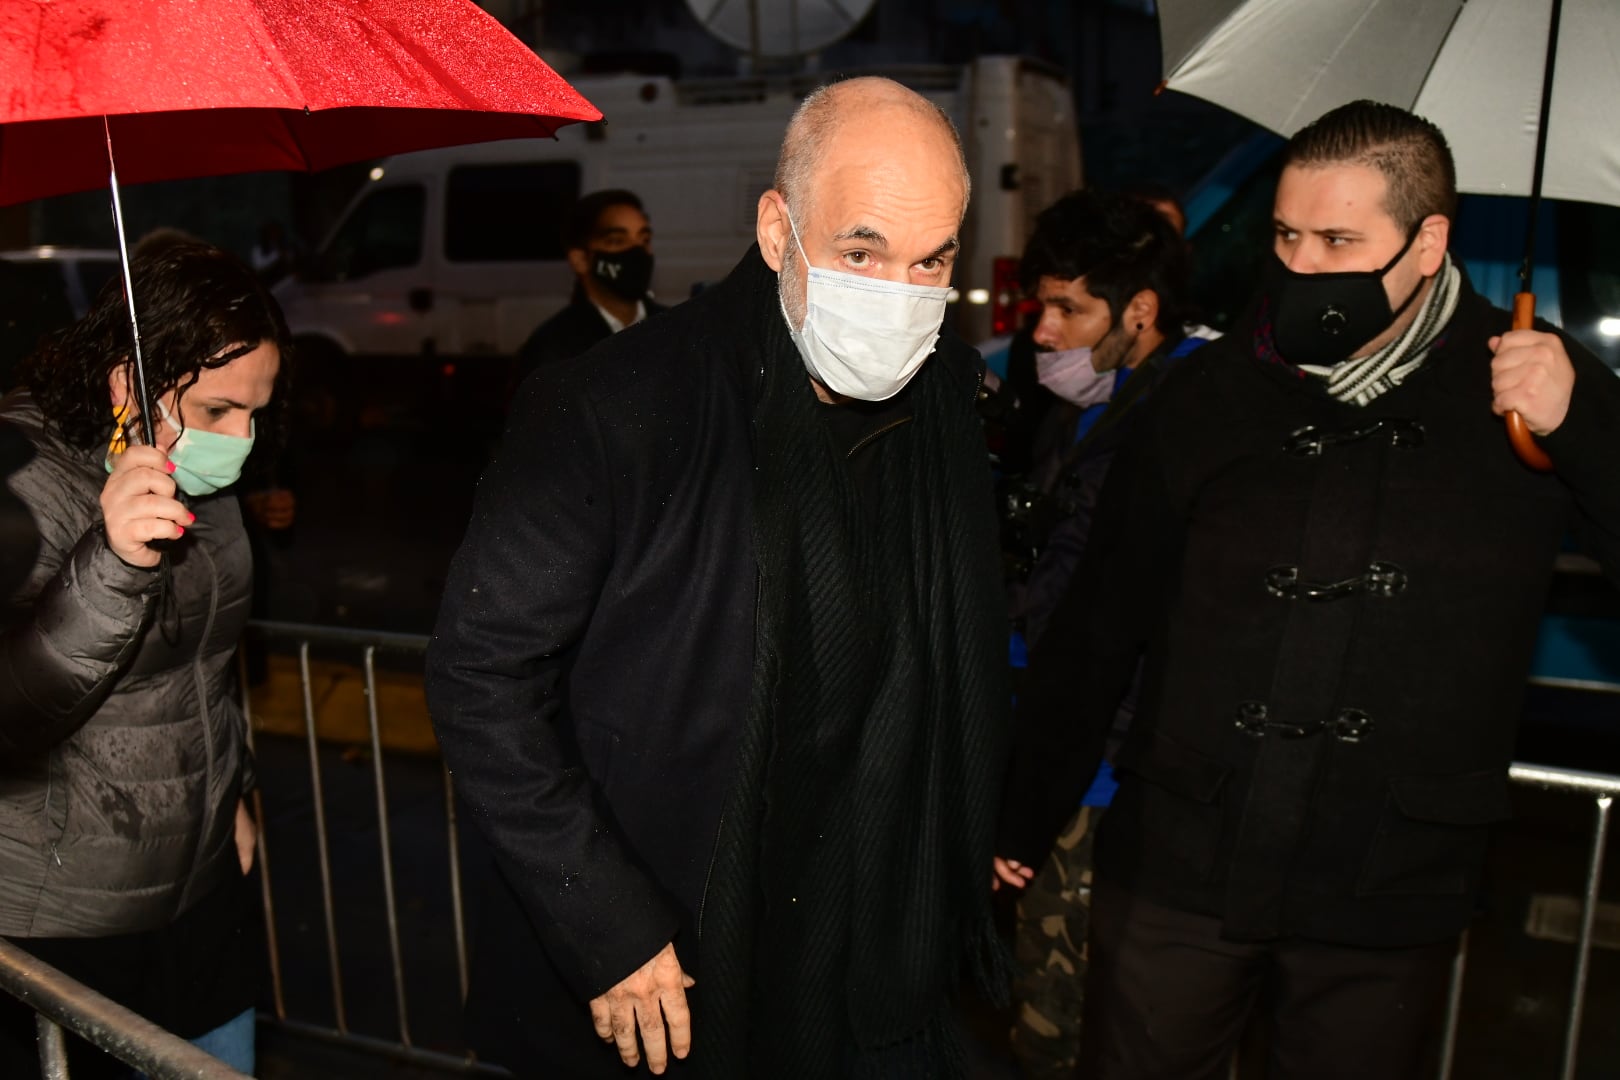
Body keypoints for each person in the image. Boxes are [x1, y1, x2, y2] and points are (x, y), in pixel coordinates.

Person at [995, 99, 1620, 1080]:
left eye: (1339, 240)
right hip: (1180, 875)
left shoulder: (1526, 394)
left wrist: (1583, 424)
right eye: (1288, 237)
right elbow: (1100, 620)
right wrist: (1023, 810)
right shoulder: (1205, 396)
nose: (1305, 268)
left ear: (1428, 244)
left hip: (1385, 893)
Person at [427, 77, 1008, 1079]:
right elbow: (481, 678)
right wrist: (603, 919)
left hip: (878, 948)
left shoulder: (951, 398)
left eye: (933, 262)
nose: (900, 295)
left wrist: (979, 817)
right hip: (681, 950)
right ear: (779, 231)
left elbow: (955, 646)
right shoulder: (615, 408)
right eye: (862, 252)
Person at [0, 241, 289, 1077]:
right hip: (65, 916)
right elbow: (11, 715)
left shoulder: (205, 481)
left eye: (257, 412)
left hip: (199, 892)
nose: (242, 440)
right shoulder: (20, 479)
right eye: (219, 410)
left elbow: (208, 664)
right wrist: (112, 562)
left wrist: (231, 789)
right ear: (130, 382)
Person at [993, 189, 1195, 1080]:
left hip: (1102, 784)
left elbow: (1094, 630)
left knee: (1064, 1034)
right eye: (1042, 306)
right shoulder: (1087, 411)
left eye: (1070, 309)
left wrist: (1036, 801)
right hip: (1063, 763)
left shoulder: (1178, 425)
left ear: (1140, 311)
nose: (1044, 331)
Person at [514, 189, 665, 383]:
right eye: (617, 241)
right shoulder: (554, 347)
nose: (637, 252)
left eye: (644, 240)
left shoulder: (673, 328)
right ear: (580, 260)